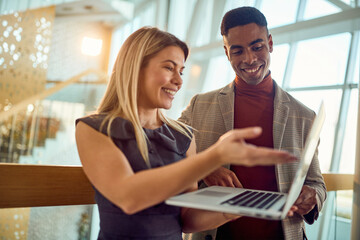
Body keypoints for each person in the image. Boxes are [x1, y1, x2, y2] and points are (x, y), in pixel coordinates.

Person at [75, 27, 296, 240]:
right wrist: (214, 157)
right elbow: (129, 197)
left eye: (181, 71)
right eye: (169, 68)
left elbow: (187, 219)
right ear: (135, 67)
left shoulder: (183, 137)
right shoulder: (93, 129)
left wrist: (240, 207)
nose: (179, 81)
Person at [179, 6, 327, 240]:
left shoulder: (305, 117)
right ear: (226, 52)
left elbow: (316, 183)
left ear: (270, 43)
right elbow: (167, 154)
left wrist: (313, 195)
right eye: (237, 51)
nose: (249, 59)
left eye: (257, 47)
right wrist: (204, 166)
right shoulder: (200, 105)